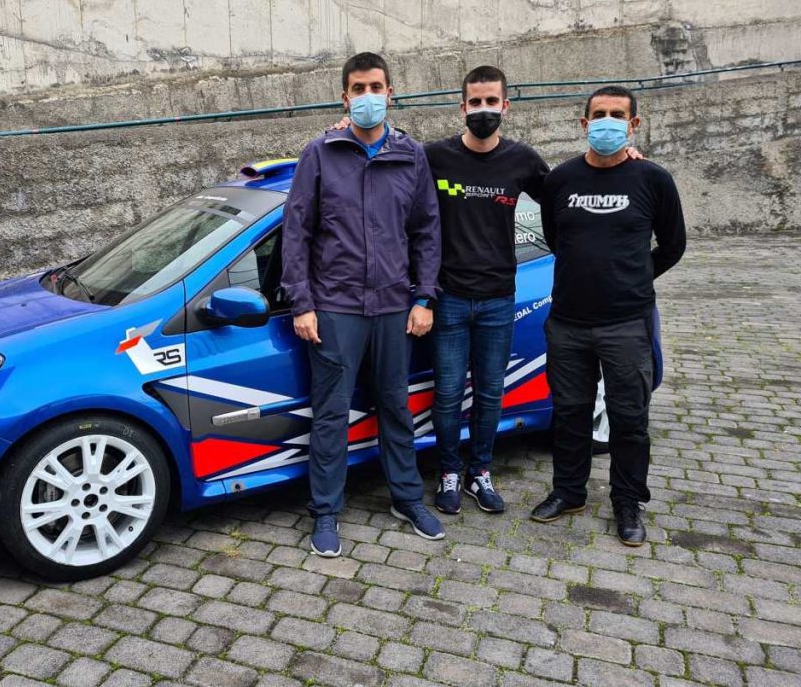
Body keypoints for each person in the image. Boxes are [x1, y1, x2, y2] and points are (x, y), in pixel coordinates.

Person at [281, 51, 444, 557]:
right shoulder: (320, 153)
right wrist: (302, 303)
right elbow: (296, 233)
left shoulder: (410, 155)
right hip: (336, 307)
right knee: (331, 413)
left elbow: (426, 231)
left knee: (395, 406)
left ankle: (407, 499)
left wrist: (424, 297)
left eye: (376, 87)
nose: (368, 96)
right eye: (359, 88)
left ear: (390, 93)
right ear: (345, 97)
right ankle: (326, 511)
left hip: (394, 306)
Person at [531, 85, 686, 547]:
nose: (607, 122)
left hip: (626, 324)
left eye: (618, 115)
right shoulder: (560, 180)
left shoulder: (653, 179)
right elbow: (556, 238)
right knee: (570, 413)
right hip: (568, 323)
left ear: (633, 124)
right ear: (584, 124)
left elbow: (673, 245)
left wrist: (633, 277)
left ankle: (627, 501)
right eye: (599, 114)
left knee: (629, 418)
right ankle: (568, 492)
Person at [423, 66, 550, 515]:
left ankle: (480, 472)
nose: (483, 110)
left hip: (499, 299)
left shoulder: (523, 159)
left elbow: (564, 197)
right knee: (448, 393)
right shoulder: (434, 157)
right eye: (475, 102)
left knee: (491, 393)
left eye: (491, 102)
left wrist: (623, 162)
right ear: (462, 107)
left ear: (505, 106)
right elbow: (386, 161)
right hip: (449, 298)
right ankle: (449, 472)